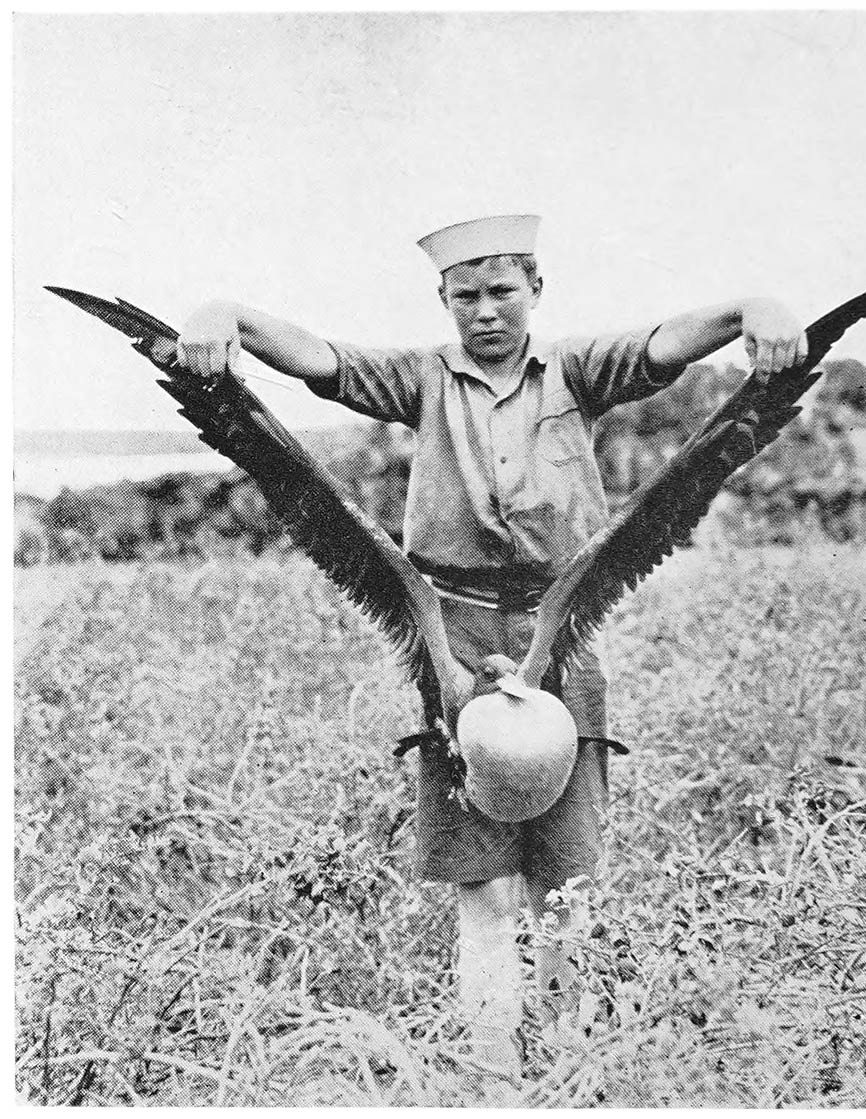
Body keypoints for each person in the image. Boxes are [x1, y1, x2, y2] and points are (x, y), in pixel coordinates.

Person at [175, 214, 808, 1084]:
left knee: (568, 881)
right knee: (483, 884)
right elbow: (320, 358)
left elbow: (666, 344)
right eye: (464, 295)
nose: (485, 311)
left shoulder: (579, 371)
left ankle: (572, 1068)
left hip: (565, 624)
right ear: (443, 301)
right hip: (451, 635)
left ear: (536, 290)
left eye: (503, 290)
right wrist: (228, 316)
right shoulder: (419, 380)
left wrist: (751, 308)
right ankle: (489, 1076)